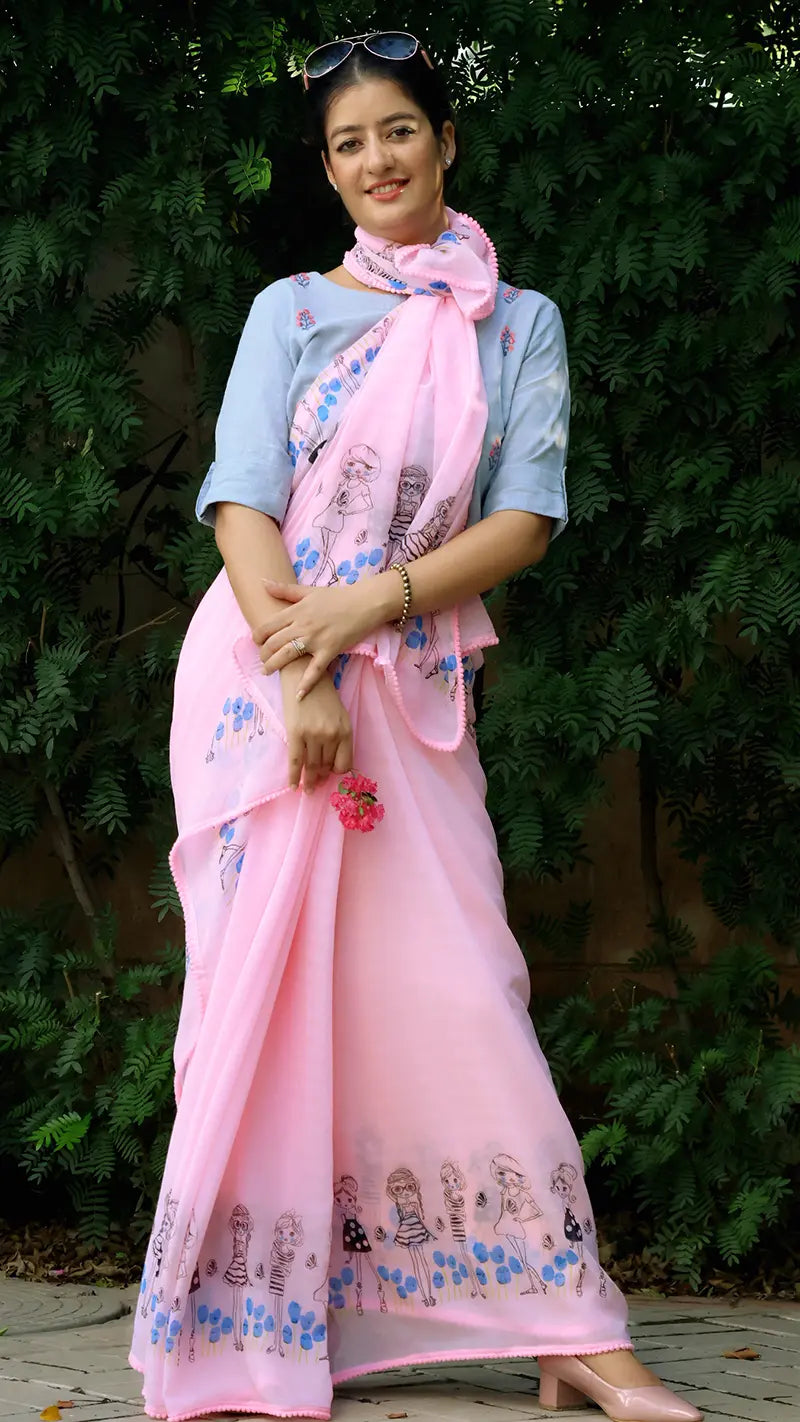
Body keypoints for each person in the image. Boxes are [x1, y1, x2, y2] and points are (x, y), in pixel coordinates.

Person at [128, 30, 703, 1422]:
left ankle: (571, 1324)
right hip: (265, 682)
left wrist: (364, 612)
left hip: (407, 677)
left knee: (463, 985)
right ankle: (251, 1324)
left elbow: (526, 518)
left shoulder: (520, 322)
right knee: (263, 999)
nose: (376, 160)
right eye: (348, 144)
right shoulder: (291, 313)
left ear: (449, 141)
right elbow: (242, 501)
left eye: (398, 131)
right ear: (328, 174)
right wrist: (304, 667)